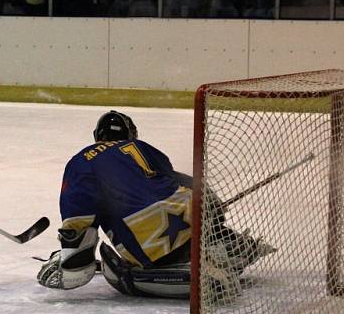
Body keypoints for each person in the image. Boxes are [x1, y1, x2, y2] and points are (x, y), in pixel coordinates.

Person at [36, 110, 275, 299]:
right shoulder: (141, 149)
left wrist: (70, 258)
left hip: (150, 243)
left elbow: (79, 222)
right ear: (132, 135)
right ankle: (223, 245)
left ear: (96, 136)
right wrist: (211, 207)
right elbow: (179, 180)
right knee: (190, 213)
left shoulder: (80, 161)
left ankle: (193, 272)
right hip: (192, 218)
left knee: (133, 266)